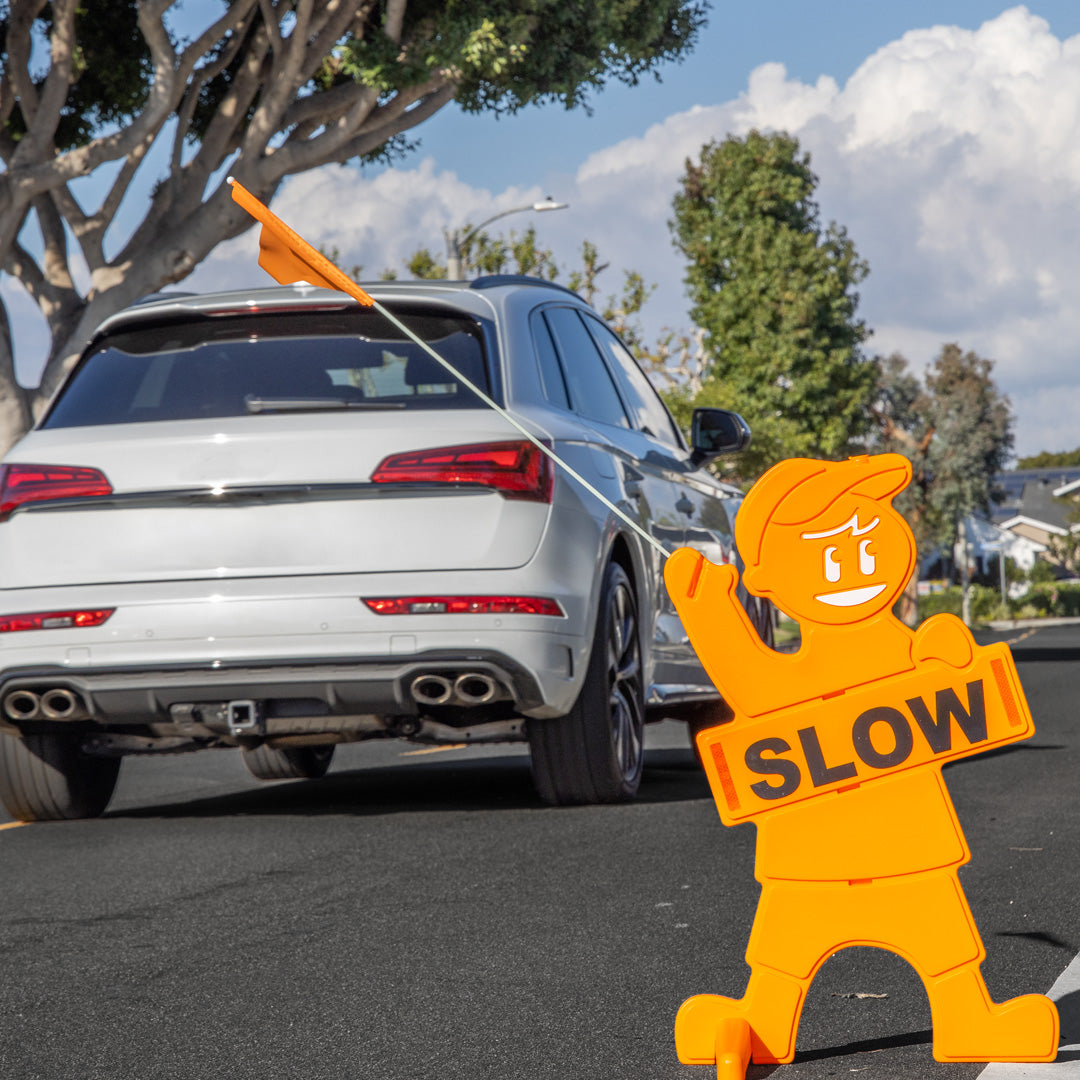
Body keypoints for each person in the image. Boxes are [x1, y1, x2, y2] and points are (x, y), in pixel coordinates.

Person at [664, 453, 1059, 1074]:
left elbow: (936, 673)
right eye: (826, 544)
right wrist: (708, 611)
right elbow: (756, 686)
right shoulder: (793, 672)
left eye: (864, 533)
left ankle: (969, 1018)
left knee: (939, 929)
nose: (851, 558)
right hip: (811, 851)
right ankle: (761, 1023)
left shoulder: (898, 645)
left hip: (905, 840)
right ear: (768, 579)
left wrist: (946, 657)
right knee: (786, 941)